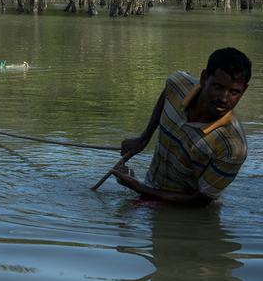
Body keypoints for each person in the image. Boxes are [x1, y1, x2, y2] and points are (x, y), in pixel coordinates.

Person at [108, 48, 252, 206]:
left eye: (234, 92)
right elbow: (168, 91)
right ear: (204, 78)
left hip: (187, 210)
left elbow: (200, 201)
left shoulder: (232, 147)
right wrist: (144, 138)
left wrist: (138, 188)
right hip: (151, 188)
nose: (224, 99)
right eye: (218, 87)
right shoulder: (179, 84)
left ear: (244, 91)